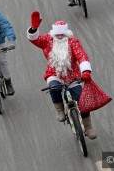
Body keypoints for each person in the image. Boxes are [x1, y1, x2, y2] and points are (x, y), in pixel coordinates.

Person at [27, 11, 97, 139]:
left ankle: (88, 126)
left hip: (73, 74)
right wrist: (33, 29)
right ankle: (59, 109)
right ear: (53, 34)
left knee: (82, 101)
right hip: (54, 73)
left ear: (66, 34)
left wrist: (86, 71)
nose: (59, 37)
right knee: (54, 88)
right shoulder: (47, 40)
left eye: (62, 34)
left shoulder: (73, 42)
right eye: (57, 35)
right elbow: (35, 39)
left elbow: (81, 56)